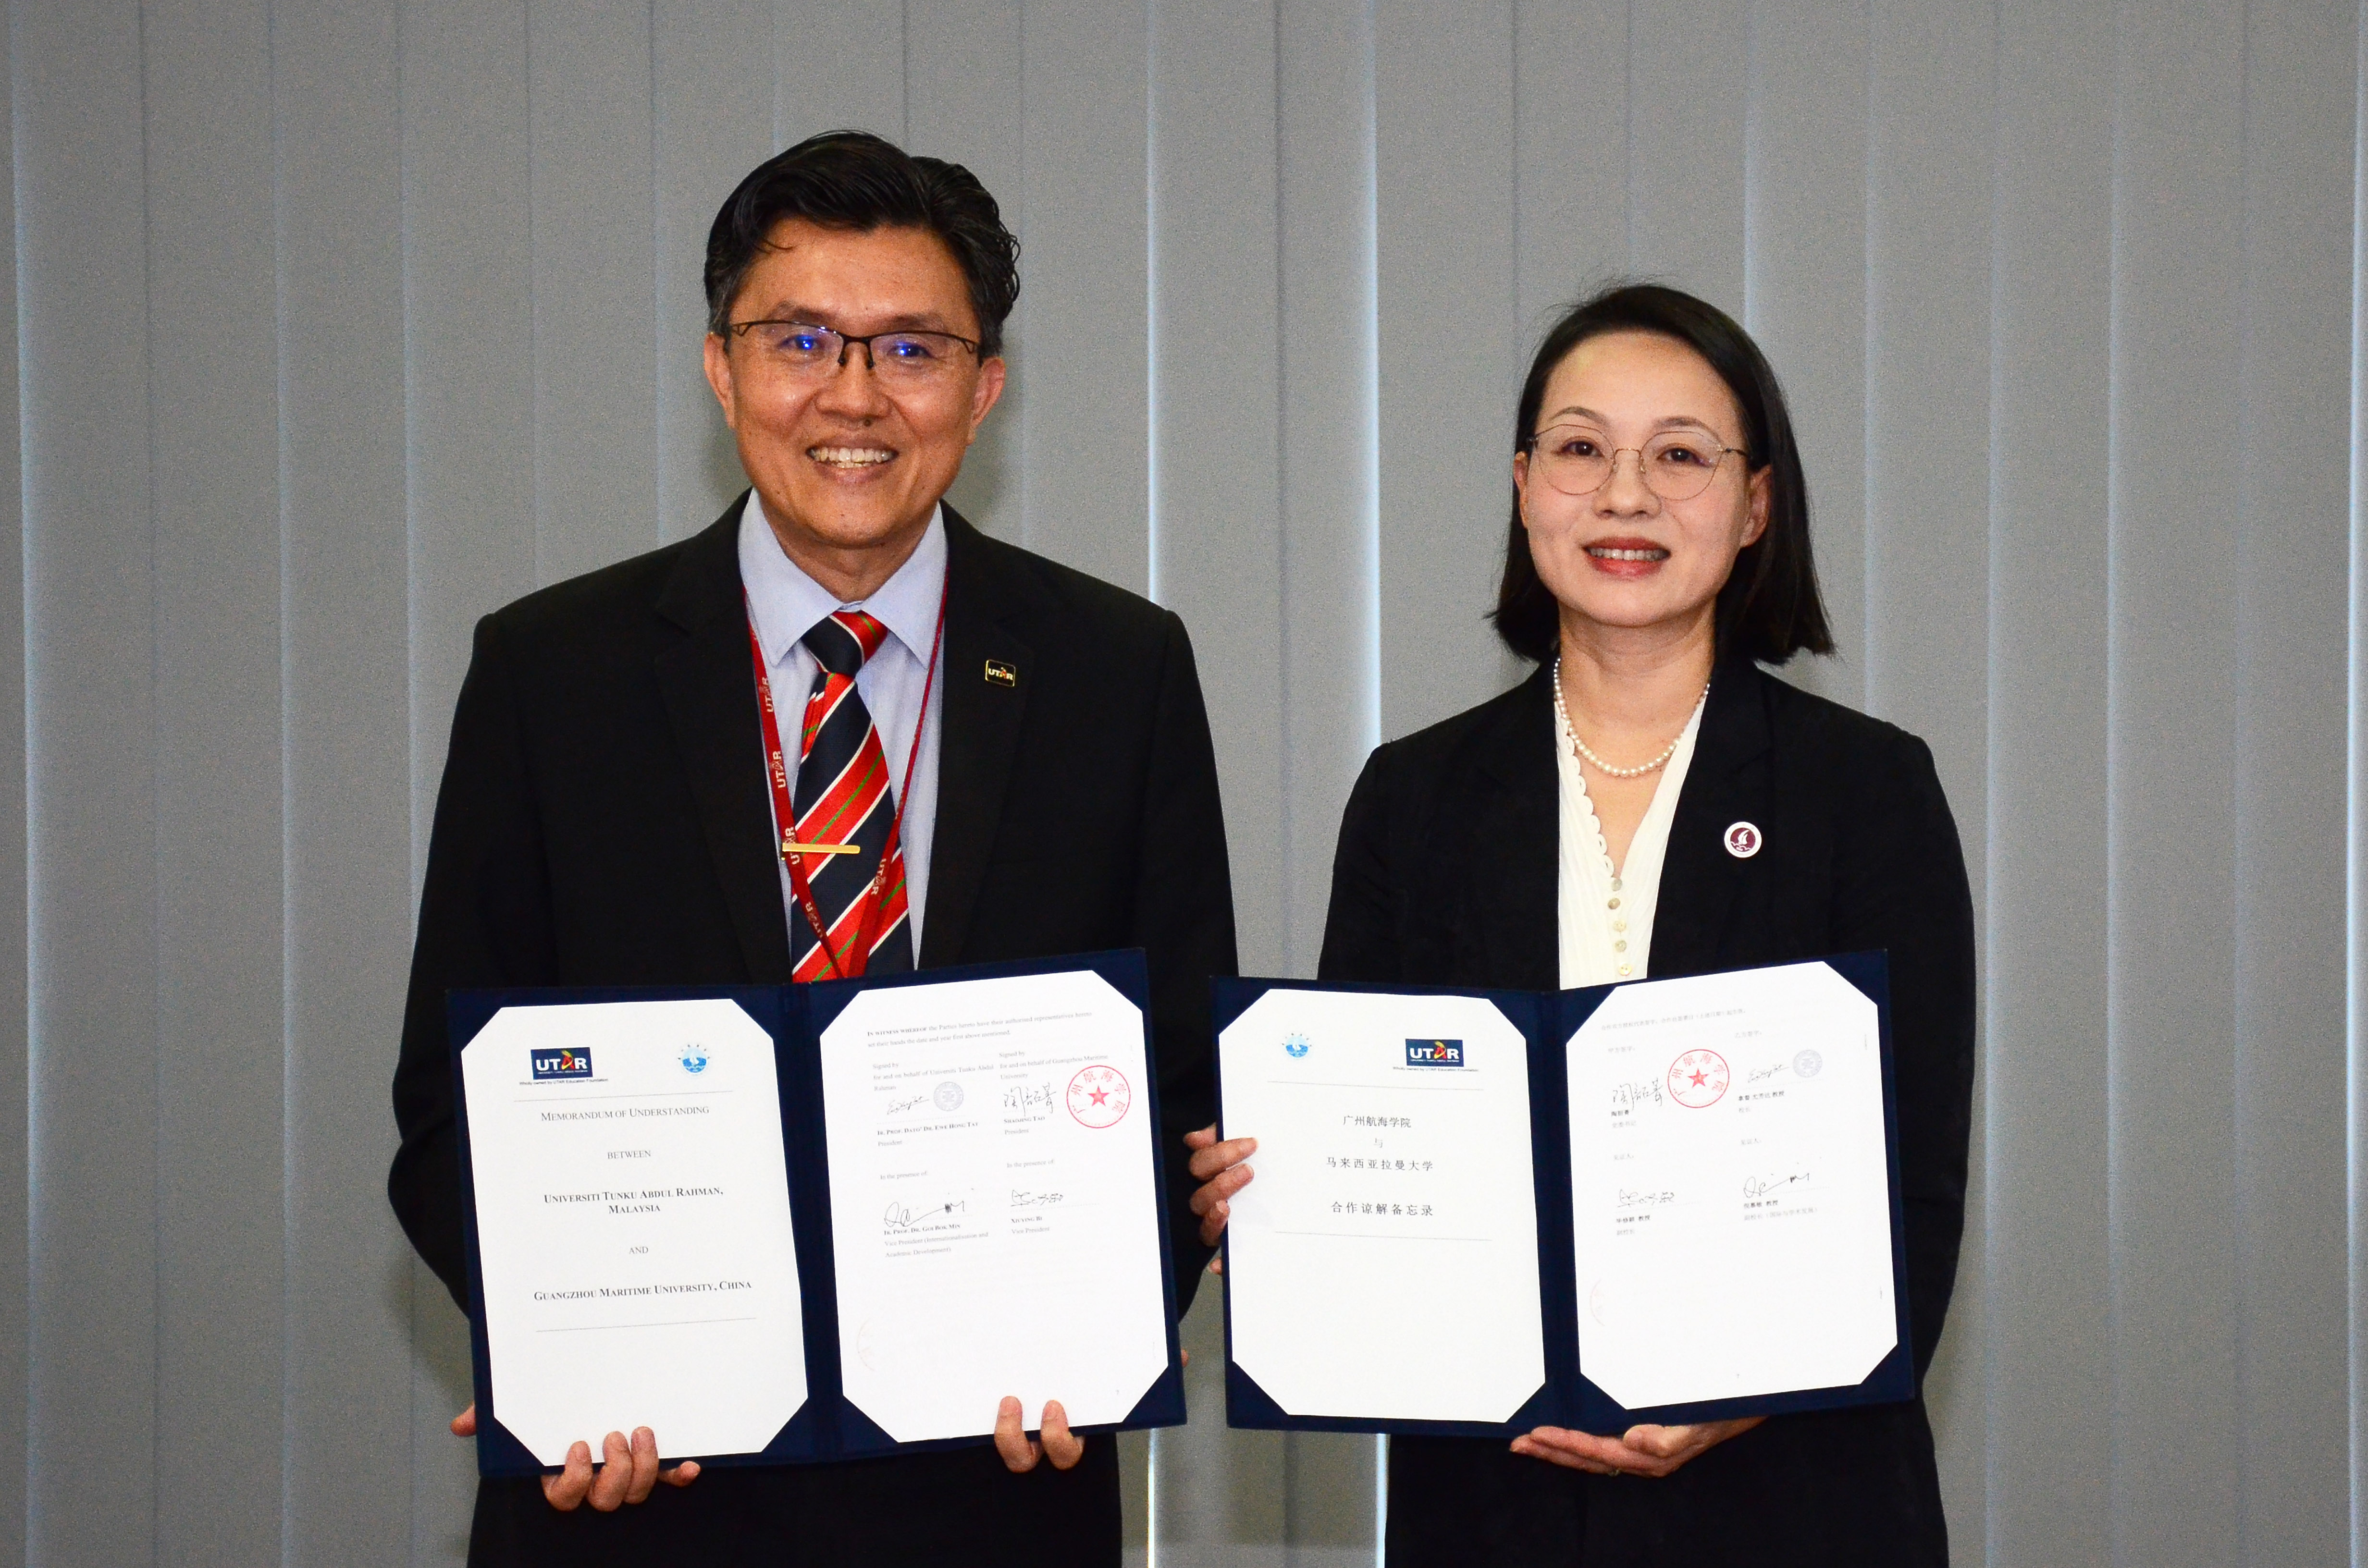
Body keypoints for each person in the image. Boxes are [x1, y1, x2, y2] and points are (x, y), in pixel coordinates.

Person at [388, 129, 1236, 1566]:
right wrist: (568, 1362)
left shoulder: (1116, 669)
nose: (853, 395)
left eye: (912, 349)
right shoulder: (554, 672)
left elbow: (1180, 1084)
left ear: (986, 390)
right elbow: (449, 1108)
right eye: (801, 340)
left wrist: (1102, 1330)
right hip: (647, 1498)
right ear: (722, 370)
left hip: (992, 1490)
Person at [1187, 282, 1974, 1565]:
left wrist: (1745, 1392)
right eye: (1580, 448)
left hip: (1801, 1502)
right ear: (1522, 484)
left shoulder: (1868, 793)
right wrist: (1274, 1202)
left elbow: (1913, 1187)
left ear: (1757, 502)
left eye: (1679, 454)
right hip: (1494, 1508)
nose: (1624, 495)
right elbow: (1369, 1136)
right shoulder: (1417, 796)